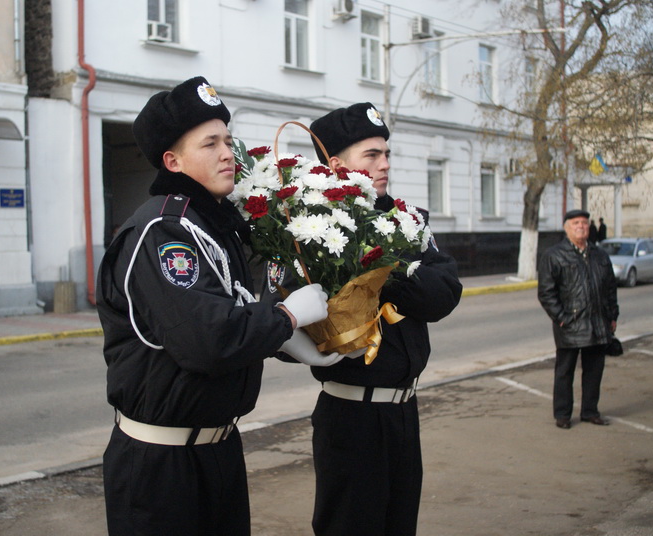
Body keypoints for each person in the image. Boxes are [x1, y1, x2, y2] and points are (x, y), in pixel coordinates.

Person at [96, 76, 338, 535]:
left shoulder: (215, 225)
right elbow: (208, 340)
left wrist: (291, 342)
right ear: (173, 160)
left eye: (228, 139)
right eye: (210, 143)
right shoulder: (164, 232)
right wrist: (287, 318)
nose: (229, 152)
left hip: (217, 450)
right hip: (161, 467)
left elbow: (241, 308)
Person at [265, 102, 463, 535]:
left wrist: (380, 273)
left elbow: (445, 294)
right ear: (336, 164)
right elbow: (282, 328)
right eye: (371, 155)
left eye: (386, 153)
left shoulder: (407, 221)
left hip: (404, 412)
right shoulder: (306, 229)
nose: (385, 164)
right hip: (351, 418)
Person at [538, 209, 619, 430]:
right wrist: (562, 319)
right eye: (575, 223)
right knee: (564, 372)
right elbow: (546, 292)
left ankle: (590, 411)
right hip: (570, 325)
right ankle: (563, 414)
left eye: (584, 222)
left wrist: (612, 316)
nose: (581, 226)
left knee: (594, 371)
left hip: (598, 323)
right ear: (567, 228)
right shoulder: (554, 255)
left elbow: (610, 288)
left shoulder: (600, 255)